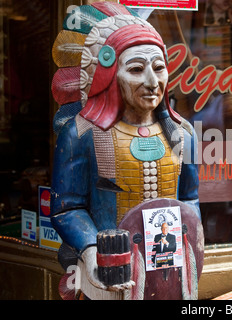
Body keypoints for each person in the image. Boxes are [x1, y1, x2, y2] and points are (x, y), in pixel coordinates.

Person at [50, 3, 200, 296]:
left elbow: (190, 200)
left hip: (171, 271)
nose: (152, 82)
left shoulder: (182, 135)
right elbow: (67, 207)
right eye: (135, 69)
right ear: (109, 75)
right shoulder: (81, 134)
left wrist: (190, 244)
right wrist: (92, 250)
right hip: (108, 272)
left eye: (159, 68)